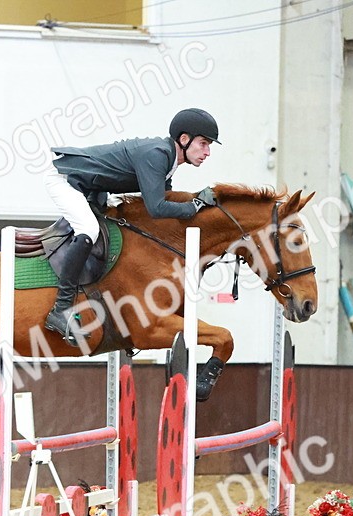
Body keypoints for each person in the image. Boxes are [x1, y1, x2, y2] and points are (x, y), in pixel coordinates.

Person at [42, 108, 221, 345]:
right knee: (89, 230)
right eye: (204, 144)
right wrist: (196, 204)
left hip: (91, 189)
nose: (207, 152)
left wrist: (202, 209)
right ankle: (60, 309)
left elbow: (165, 207)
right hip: (66, 180)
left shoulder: (168, 160)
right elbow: (157, 208)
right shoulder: (157, 154)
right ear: (184, 139)